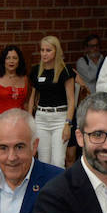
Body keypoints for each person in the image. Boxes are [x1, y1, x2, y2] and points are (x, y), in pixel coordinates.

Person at [27, 35, 77, 168]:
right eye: (42, 50)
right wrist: (29, 119)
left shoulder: (65, 70)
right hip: (41, 118)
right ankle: (45, 189)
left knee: (58, 161)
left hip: (60, 118)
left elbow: (71, 100)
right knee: (43, 160)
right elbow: (32, 97)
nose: (44, 53)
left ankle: (58, 189)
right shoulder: (36, 70)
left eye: (48, 50)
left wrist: (68, 124)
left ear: (56, 51)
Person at [0, 45, 31, 116]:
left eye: (15, 58)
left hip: (20, 121)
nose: (11, 61)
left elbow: (26, 103)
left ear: (19, 61)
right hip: (0, 121)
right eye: (8, 58)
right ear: (3, 61)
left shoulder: (24, 78)